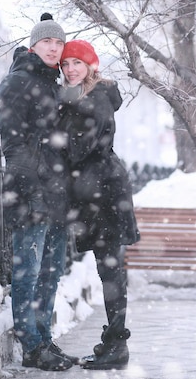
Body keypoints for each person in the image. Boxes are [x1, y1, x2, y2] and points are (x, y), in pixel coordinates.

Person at [0, 13, 77, 371]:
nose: (53, 48)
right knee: (28, 274)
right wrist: (33, 194)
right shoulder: (17, 83)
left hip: (55, 196)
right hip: (30, 196)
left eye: (58, 43)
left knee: (50, 273)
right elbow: (14, 147)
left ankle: (44, 338)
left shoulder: (52, 85)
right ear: (34, 45)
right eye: (47, 42)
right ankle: (31, 345)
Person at [57, 39, 140, 370]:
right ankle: (114, 340)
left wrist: (56, 142)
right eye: (65, 65)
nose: (70, 69)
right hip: (98, 191)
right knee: (109, 269)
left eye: (77, 63)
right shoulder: (83, 97)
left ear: (91, 65)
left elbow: (83, 144)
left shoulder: (98, 97)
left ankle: (117, 344)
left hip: (104, 194)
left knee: (110, 270)